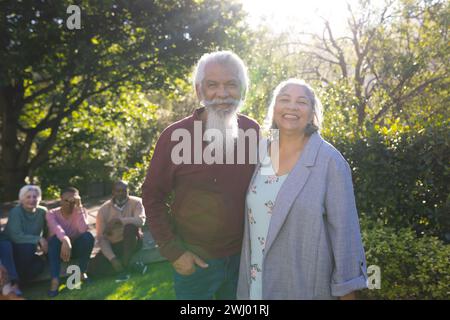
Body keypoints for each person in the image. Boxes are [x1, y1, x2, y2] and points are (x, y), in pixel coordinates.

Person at [142, 50, 259, 299]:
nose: (222, 93)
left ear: (243, 90)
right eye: (212, 85)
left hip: (244, 260)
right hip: (195, 264)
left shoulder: (253, 131)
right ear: (199, 91)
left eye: (231, 84)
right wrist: (173, 251)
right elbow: (152, 196)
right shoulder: (174, 137)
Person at [237, 79, 368, 300]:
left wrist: (347, 292)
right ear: (274, 108)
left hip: (303, 287)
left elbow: (345, 233)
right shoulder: (261, 153)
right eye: (284, 99)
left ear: (312, 113)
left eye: (302, 102)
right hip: (255, 286)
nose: (291, 107)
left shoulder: (329, 162)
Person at [88, 181, 146, 280]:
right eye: (118, 191)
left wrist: (119, 221)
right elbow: (101, 237)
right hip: (114, 244)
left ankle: (123, 267)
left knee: (130, 227)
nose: (121, 193)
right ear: (113, 192)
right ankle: (131, 267)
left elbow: (141, 221)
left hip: (133, 241)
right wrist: (113, 258)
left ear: (128, 191)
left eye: (124, 191)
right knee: (92, 270)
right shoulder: (103, 210)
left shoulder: (136, 202)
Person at [46, 187, 94, 297]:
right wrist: (66, 240)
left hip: (75, 249)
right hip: (57, 251)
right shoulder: (51, 214)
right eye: (66, 201)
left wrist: (79, 207)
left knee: (88, 237)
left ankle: (82, 273)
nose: (70, 204)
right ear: (61, 200)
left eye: (73, 201)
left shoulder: (80, 211)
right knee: (54, 241)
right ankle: (55, 280)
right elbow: (57, 229)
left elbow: (83, 229)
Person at [5, 185, 47, 285]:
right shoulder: (16, 212)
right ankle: (14, 284)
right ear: (22, 199)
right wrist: (39, 239)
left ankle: (19, 282)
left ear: (39, 198)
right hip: (12, 246)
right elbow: (16, 236)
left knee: (39, 265)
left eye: (35, 197)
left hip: (29, 248)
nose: (32, 200)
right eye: (28, 197)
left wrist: (46, 243)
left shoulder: (42, 211)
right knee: (27, 248)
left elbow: (47, 230)